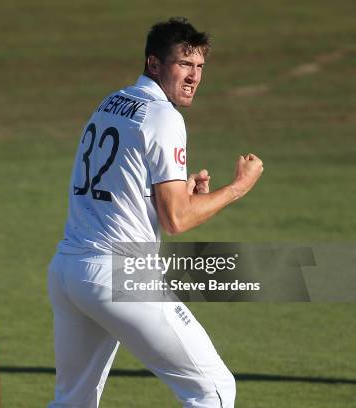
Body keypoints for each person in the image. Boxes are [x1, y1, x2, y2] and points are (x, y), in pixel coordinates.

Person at [48, 17, 263, 407]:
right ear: (154, 64)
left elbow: (123, 186)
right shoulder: (164, 116)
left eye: (199, 67)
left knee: (72, 402)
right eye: (184, 64)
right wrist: (237, 188)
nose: (194, 77)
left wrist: (184, 191)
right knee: (213, 389)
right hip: (119, 275)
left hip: (68, 271)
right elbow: (176, 219)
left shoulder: (110, 102)